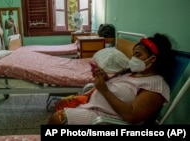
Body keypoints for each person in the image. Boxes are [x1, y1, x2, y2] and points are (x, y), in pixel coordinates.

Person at [48, 33, 176, 125]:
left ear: (153, 59)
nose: (133, 59)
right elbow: (121, 89)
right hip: (93, 108)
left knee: (56, 119)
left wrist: (104, 90)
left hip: (105, 120)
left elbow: (133, 116)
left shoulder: (156, 84)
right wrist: (105, 79)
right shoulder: (134, 72)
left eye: (138, 55)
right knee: (60, 107)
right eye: (133, 55)